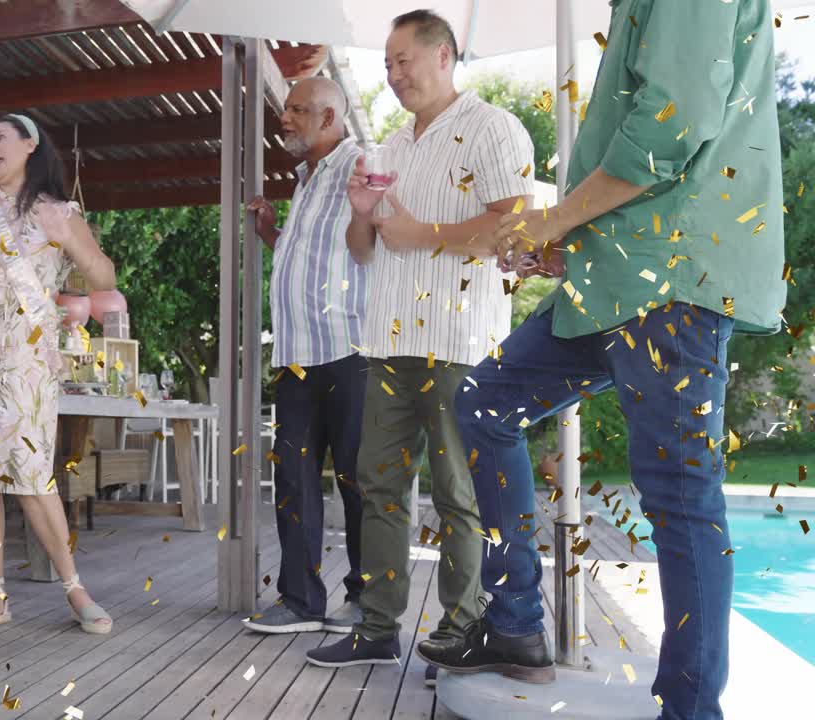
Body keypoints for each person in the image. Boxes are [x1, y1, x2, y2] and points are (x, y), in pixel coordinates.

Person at [417, 2, 785, 717]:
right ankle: (518, 624)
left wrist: (551, 218)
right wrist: (568, 242)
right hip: (618, 273)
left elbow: (670, 125)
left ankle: (689, 710)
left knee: (681, 496)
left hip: (675, 275)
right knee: (486, 403)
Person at [304, 10, 534, 685]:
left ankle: (461, 629)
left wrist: (419, 232)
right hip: (388, 341)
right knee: (378, 485)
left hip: (461, 341)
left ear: (444, 56)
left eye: (403, 60)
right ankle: (377, 628)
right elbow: (365, 250)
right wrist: (359, 214)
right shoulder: (390, 149)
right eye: (388, 64)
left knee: (458, 492)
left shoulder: (495, 128)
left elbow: (512, 229)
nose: (394, 73)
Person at [0, 114, 117, 635]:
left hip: (26, 354)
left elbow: (104, 276)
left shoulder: (58, 210)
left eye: (1, 138)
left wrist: (70, 239)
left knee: (32, 475)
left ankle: (74, 588)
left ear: (31, 145)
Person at [241, 76, 367, 637]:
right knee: (292, 477)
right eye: (285, 108)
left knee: (358, 480)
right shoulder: (304, 178)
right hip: (294, 354)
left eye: (297, 110)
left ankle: (366, 600)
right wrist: (272, 233)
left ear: (331, 116)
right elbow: (314, 258)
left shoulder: (360, 166)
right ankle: (300, 601)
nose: (284, 118)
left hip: (350, 348)